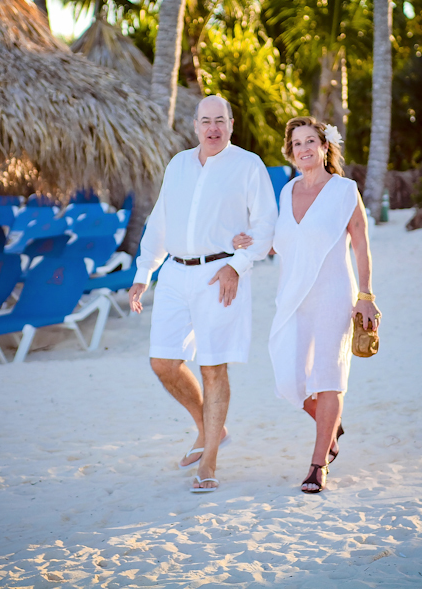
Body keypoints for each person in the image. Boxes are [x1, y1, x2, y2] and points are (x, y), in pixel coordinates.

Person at [128, 95, 278, 494]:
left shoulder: (248, 165)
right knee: (163, 361)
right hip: (175, 274)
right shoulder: (178, 164)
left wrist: (237, 265)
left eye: (221, 121)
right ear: (195, 125)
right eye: (206, 121)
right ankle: (208, 427)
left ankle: (209, 458)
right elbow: (159, 221)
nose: (213, 128)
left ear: (232, 124)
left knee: (213, 367)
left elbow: (266, 227)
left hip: (220, 273)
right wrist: (145, 271)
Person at [232, 117, 379, 494]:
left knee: (328, 376)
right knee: (289, 380)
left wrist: (367, 295)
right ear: (291, 151)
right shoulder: (287, 191)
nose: (304, 149)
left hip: (333, 292)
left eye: (311, 140)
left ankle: (317, 466)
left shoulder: (345, 190)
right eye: (297, 144)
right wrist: (251, 241)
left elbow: (360, 242)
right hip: (293, 295)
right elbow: (284, 243)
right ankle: (330, 426)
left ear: (325, 146)